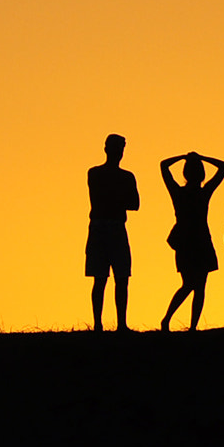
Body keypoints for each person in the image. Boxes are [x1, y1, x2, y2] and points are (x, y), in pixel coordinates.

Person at [159, 151, 224, 332]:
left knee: (193, 285)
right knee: (195, 285)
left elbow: (164, 165)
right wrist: (201, 157)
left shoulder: (180, 192)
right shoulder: (202, 192)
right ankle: (174, 321)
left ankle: (189, 326)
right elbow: (223, 167)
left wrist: (183, 157)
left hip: (189, 240)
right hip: (196, 240)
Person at [85, 134, 140, 332]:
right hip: (104, 227)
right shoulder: (96, 173)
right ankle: (99, 324)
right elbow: (129, 202)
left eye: (121, 148)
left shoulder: (124, 176)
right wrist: (119, 198)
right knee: (101, 278)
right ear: (107, 149)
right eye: (117, 148)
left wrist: (115, 199)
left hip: (113, 227)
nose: (119, 152)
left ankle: (120, 324)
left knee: (120, 278)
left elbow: (135, 204)